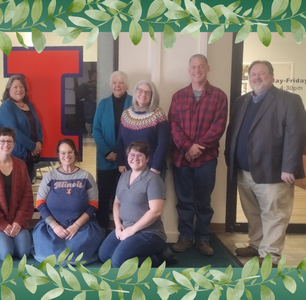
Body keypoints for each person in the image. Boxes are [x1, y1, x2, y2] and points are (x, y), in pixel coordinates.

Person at [225, 60, 306, 267]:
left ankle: (270, 255)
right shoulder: (241, 101)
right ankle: (256, 244)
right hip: (244, 170)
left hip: (273, 171)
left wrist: (290, 166)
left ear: (271, 76)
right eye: (253, 74)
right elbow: (233, 131)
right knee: (252, 212)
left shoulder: (289, 100)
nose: (257, 78)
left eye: (261, 74)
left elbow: (296, 135)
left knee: (274, 214)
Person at [168, 54, 228, 256]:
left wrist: (198, 146)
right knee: (184, 200)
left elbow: (218, 126)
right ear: (188, 70)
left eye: (201, 66)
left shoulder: (219, 96)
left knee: (203, 201)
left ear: (208, 68)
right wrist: (187, 147)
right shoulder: (178, 96)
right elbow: (173, 125)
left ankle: (202, 238)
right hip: (181, 157)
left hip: (206, 159)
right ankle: (185, 237)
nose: (197, 70)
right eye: (193, 66)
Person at [33, 138, 102, 264]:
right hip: (52, 226)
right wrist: (55, 226)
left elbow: (93, 204)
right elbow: (40, 203)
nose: (66, 156)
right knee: (47, 247)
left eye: (70, 152)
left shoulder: (86, 177)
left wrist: (76, 226)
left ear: (75, 154)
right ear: (58, 155)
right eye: (63, 153)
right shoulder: (50, 176)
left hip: (81, 226)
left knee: (78, 248)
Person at [98, 141, 167, 268]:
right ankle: (145, 256)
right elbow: (117, 203)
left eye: (140, 155)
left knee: (118, 262)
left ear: (147, 158)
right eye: (131, 155)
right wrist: (118, 226)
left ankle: (158, 259)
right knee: (104, 255)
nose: (135, 158)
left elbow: (155, 211)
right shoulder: (123, 176)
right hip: (125, 228)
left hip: (148, 232)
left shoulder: (153, 180)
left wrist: (132, 230)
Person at [0, 127, 34, 260]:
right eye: (2, 141)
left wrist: (18, 222)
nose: (6, 145)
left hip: (16, 220)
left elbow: (27, 197)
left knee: (24, 253)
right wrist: (3, 224)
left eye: (10, 141)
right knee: (6, 254)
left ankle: (7, 240)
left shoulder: (21, 165)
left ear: (14, 144)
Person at [92, 71, 133, 231]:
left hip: (128, 160)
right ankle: (102, 229)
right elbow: (96, 130)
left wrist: (123, 156)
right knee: (104, 195)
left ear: (126, 85)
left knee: (126, 197)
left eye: (121, 82)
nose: (118, 86)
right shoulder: (103, 104)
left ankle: (125, 228)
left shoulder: (133, 102)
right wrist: (107, 152)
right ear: (111, 85)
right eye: (115, 83)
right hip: (105, 159)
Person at [116, 80, 170, 179]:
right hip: (129, 168)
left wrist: (155, 167)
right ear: (135, 92)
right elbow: (120, 141)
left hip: (152, 170)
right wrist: (120, 162)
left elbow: (163, 143)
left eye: (147, 92)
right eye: (140, 90)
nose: (143, 94)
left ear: (152, 96)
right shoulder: (126, 114)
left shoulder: (158, 114)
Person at [0, 75, 43, 180]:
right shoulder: (6, 106)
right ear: (9, 89)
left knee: (27, 188)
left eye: (21, 86)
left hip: (31, 155)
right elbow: (13, 131)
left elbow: (38, 125)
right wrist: (33, 146)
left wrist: (39, 143)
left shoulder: (29, 104)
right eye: (15, 87)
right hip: (16, 155)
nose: (19, 89)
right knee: (16, 188)